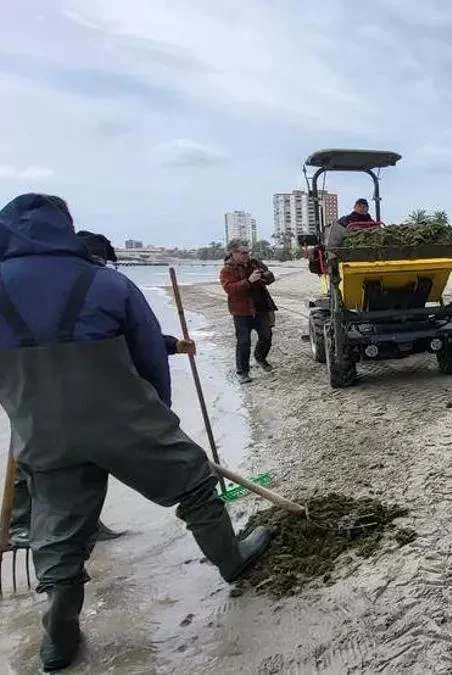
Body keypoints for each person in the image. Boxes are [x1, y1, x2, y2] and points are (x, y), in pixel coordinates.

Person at [0, 194, 273, 672]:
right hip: (126, 421)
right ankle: (232, 562)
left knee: (59, 534)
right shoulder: (107, 283)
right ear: (64, 228)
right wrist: (157, 421)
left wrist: (24, 413)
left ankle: (58, 640)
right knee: (194, 482)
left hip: (42, 433)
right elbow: (149, 356)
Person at [219, 239, 276, 384]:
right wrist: (249, 281)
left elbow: (271, 277)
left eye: (248, 252)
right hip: (241, 310)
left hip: (261, 307)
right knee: (243, 342)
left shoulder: (255, 263)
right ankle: (243, 371)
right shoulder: (227, 270)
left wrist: (264, 275)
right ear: (233, 253)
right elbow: (230, 289)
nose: (246, 255)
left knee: (266, 336)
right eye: (243, 253)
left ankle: (260, 357)